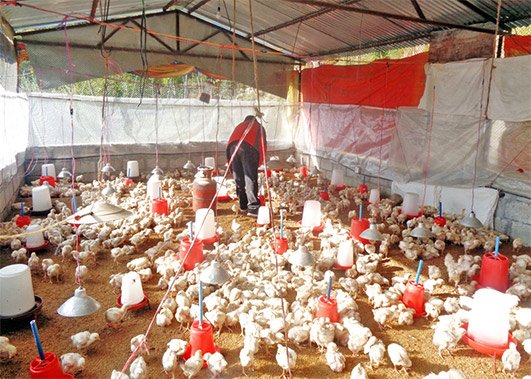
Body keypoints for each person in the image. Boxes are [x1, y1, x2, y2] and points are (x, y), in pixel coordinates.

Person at [226, 114, 267, 217]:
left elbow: (230, 141)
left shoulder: (239, 125)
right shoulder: (259, 127)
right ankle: (253, 208)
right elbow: (263, 146)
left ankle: (243, 204)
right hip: (248, 148)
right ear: (255, 121)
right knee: (250, 177)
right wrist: (258, 163)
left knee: (238, 177)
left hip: (233, 147)